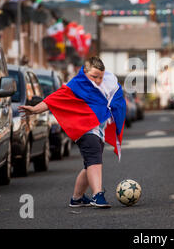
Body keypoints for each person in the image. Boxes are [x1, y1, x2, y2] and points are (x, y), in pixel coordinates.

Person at [18, 56, 124, 209]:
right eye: (94, 77)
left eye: (100, 77)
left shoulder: (108, 82)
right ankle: (98, 194)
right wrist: (35, 109)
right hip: (83, 128)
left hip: (98, 129)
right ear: (84, 72)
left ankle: (77, 198)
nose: (98, 80)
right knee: (94, 157)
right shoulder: (75, 85)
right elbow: (53, 99)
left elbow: (115, 97)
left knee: (90, 164)